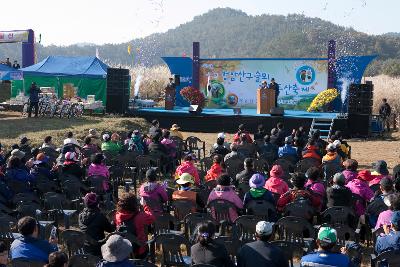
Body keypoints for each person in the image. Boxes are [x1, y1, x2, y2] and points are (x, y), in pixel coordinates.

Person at [114, 192, 156, 259]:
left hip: (123, 251)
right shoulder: (139, 217)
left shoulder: (117, 216)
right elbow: (152, 217)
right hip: (139, 251)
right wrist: (145, 205)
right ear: (134, 204)